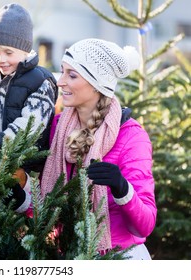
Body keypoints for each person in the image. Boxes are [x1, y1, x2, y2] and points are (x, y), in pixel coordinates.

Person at [31, 38, 156, 259]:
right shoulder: (58, 127)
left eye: (72, 75)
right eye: (62, 72)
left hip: (119, 257)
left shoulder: (131, 137)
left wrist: (122, 188)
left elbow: (144, 226)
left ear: (97, 83)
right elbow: (50, 201)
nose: (60, 82)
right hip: (68, 253)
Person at [0, 3, 58, 213]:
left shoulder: (41, 82)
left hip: (23, 167)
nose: (1, 59)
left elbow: (30, 127)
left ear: (25, 49)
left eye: (8, 52)